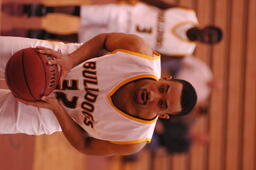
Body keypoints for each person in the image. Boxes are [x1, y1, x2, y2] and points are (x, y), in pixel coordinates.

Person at [0, 33, 197, 156]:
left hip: (49, 115)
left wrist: (58, 111)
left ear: (162, 115)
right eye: (162, 89)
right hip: (58, 62)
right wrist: (70, 60)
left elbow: (86, 145)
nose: (153, 96)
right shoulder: (139, 53)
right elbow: (104, 40)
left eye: (161, 104)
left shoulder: (132, 138)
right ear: (165, 78)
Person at [2, 1, 223, 56]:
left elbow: (156, 55)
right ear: (207, 26)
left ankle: (26, 34)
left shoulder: (183, 51)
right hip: (126, 14)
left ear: (205, 43)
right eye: (211, 32)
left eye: (210, 39)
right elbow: (161, 4)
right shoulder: (187, 14)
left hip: (122, 36)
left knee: (72, 36)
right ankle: (36, 9)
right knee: (79, 11)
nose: (207, 36)